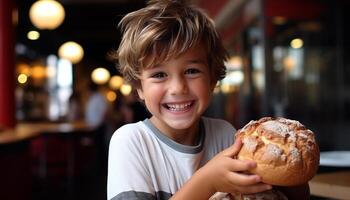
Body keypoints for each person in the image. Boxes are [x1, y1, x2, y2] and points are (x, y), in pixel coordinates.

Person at [107, 0, 309, 199]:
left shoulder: (225, 134)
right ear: (139, 87)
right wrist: (208, 181)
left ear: (212, 79)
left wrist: (292, 170)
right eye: (159, 75)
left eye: (192, 71)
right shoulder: (130, 142)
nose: (178, 88)